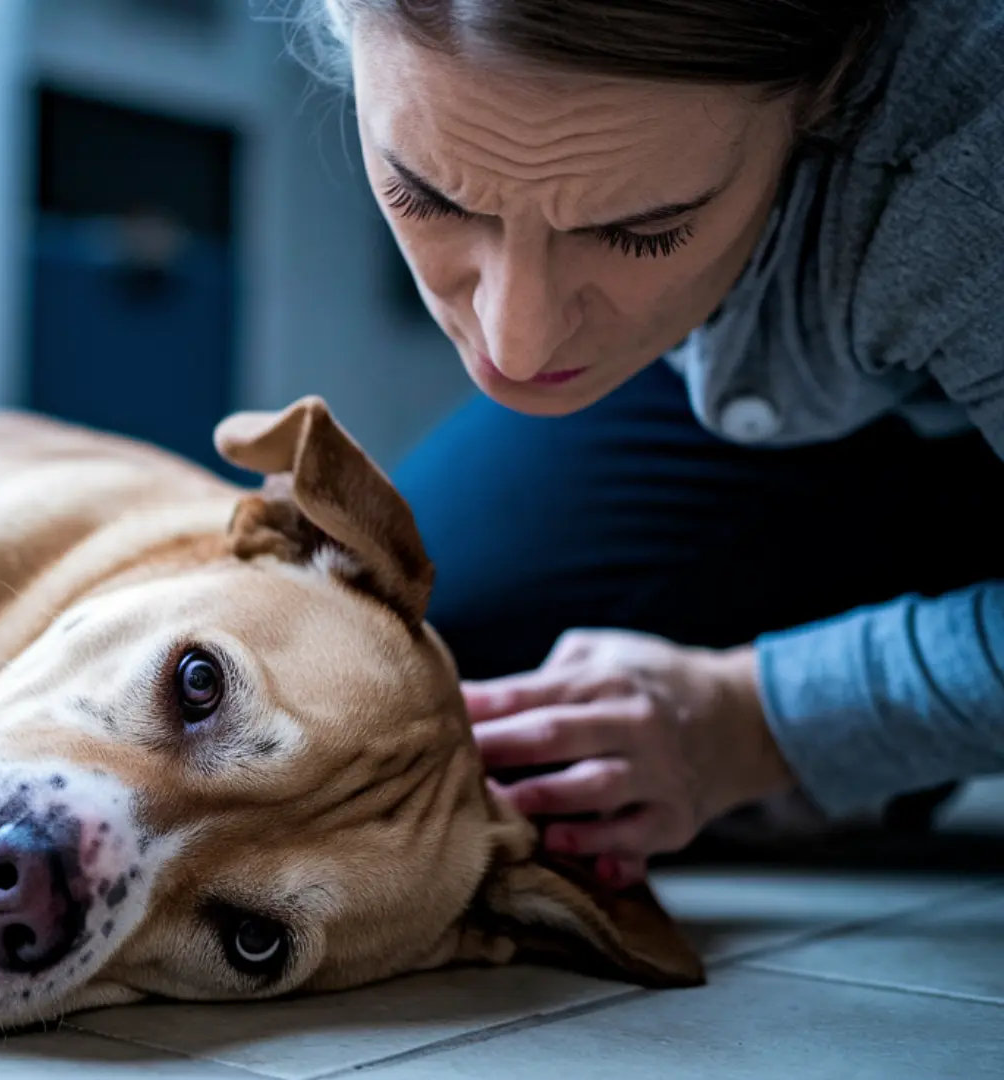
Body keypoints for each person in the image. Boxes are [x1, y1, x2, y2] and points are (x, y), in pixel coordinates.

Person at [297, 0, 1004, 887]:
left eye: (642, 230)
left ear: (831, 92)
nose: (514, 344)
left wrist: (757, 720)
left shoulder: (971, 162)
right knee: (421, 654)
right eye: (427, 194)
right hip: (791, 382)